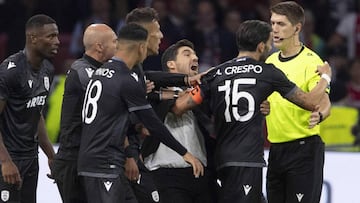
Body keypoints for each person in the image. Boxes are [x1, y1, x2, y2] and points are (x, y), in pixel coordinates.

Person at [171, 20, 332, 203]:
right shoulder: (268, 72)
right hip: (246, 159)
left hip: (222, 159)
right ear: (261, 46)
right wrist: (325, 77)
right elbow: (311, 102)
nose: (271, 47)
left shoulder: (217, 73)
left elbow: (179, 106)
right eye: (270, 42)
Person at [77, 23, 204, 203]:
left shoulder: (100, 72)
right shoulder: (126, 79)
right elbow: (152, 122)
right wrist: (185, 153)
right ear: (142, 47)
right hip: (104, 163)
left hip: (101, 160)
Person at [265, 2, 332, 203]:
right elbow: (268, 100)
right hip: (275, 149)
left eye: (281, 24)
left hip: (303, 149)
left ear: (297, 28)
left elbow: (325, 101)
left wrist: (320, 114)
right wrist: (265, 106)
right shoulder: (270, 63)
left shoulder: (312, 62)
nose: (275, 30)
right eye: (273, 23)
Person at [51, 23, 117, 203]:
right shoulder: (81, 70)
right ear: (99, 46)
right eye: (114, 41)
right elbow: (107, 97)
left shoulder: (105, 71)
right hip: (72, 159)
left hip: (90, 158)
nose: (117, 46)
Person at [143, 39, 215, 203]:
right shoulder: (154, 90)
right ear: (171, 65)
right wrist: (205, 84)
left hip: (201, 173)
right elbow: (178, 107)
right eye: (187, 54)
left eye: (195, 54)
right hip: (167, 176)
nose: (195, 58)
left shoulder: (201, 95)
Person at [0, 14, 59, 203]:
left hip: (31, 159)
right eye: (50, 36)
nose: (57, 41)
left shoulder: (47, 70)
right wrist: (5, 162)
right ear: (33, 38)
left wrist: (51, 155)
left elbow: (36, 112)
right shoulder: (11, 71)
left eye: (57, 36)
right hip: (8, 158)